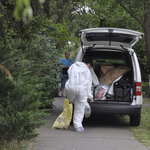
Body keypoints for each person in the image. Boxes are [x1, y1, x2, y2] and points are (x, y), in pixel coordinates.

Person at [65, 59, 94, 132]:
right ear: (89, 64)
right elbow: (88, 84)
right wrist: (90, 97)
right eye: (90, 66)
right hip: (82, 89)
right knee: (80, 107)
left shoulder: (73, 66)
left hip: (70, 87)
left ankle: (85, 104)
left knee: (72, 100)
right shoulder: (87, 71)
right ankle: (78, 126)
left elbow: (68, 73)